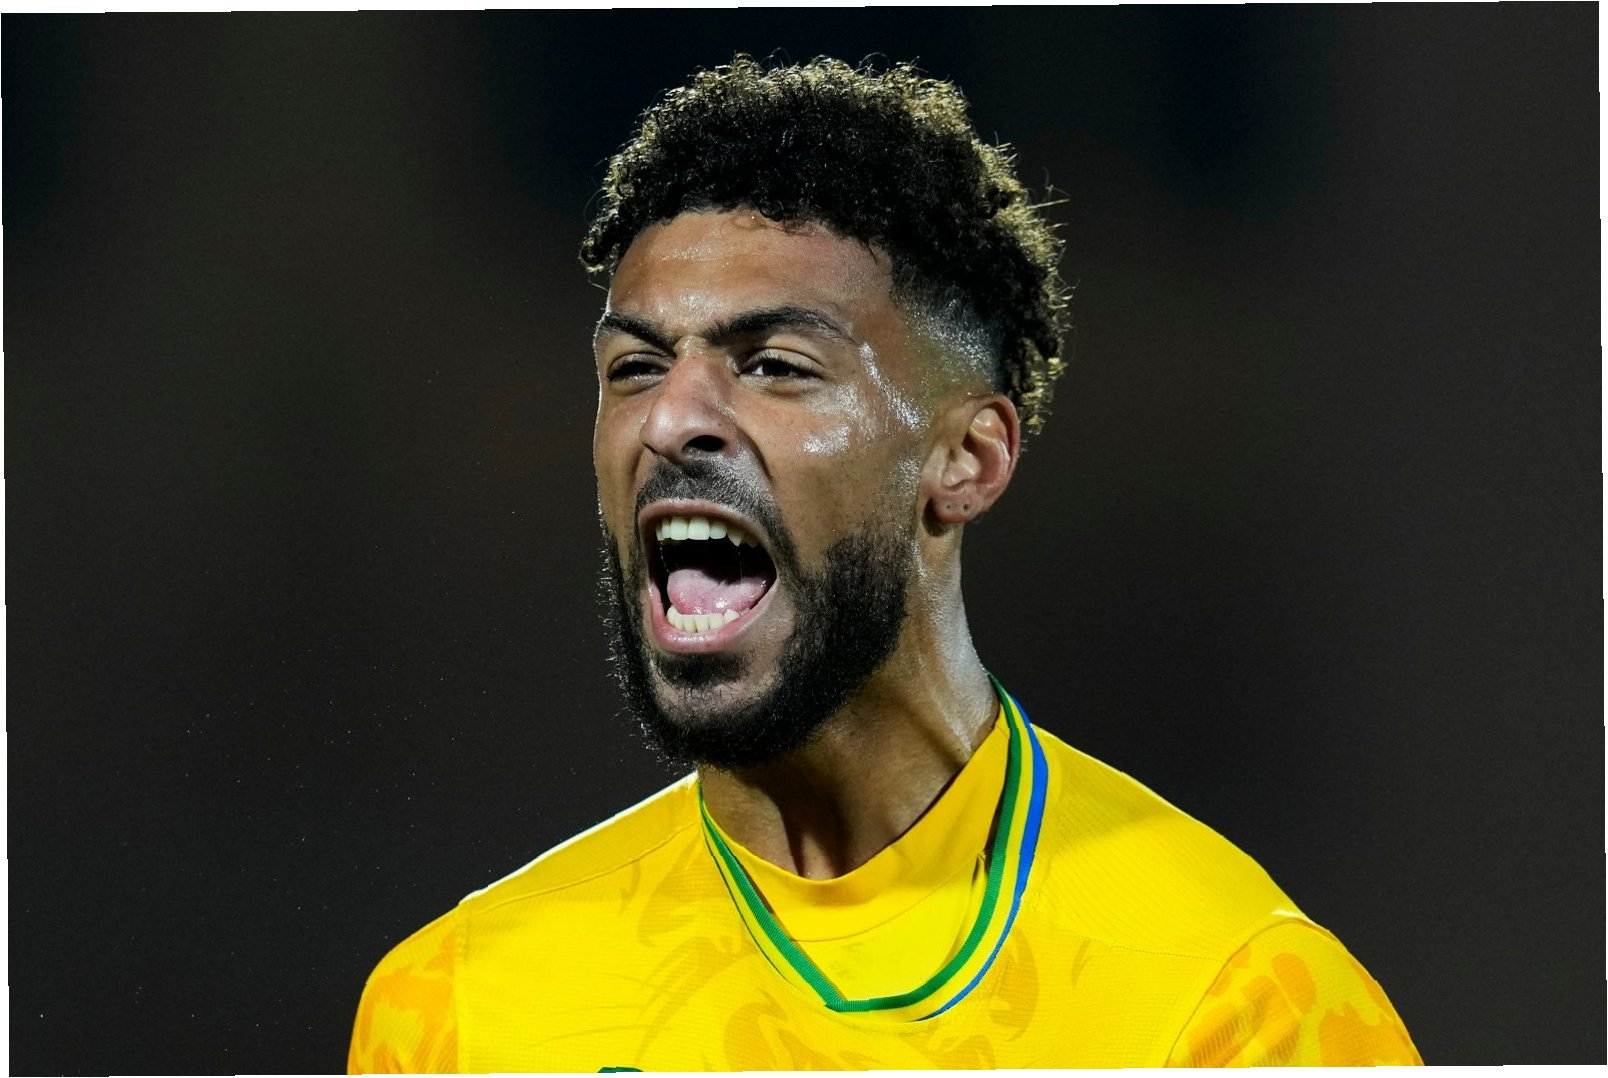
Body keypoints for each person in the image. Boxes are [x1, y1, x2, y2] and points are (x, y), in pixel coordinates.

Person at [347, 56, 1421, 1070]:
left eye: (775, 364)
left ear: (968, 458)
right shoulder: (460, 1014)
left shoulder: (1236, 1004)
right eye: (634, 368)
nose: (671, 420)